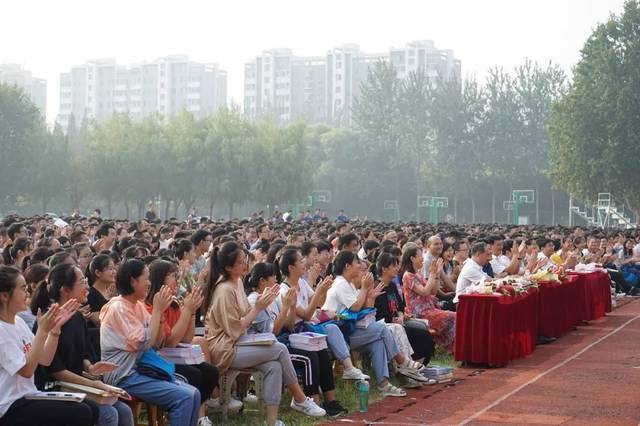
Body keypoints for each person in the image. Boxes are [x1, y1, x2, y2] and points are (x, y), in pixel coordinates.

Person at [202, 241, 325, 426]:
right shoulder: (224, 289)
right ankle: (299, 398)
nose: (246, 265)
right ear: (228, 267)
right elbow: (235, 330)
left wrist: (264, 306)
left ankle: (272, 421)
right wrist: (258, 308)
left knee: (273, 365)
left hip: (239, 342)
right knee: (280, 348)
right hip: (225, 349)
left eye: (245, 260)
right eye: (241, 262)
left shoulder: (236, 284)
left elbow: (244, 319)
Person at [100, 259, 201, 426]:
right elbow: (145, 343)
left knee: (194, 393)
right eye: (146, 279)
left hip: (143, 370)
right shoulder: (118, 308)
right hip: (125, 375)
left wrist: (160, 316)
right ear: (133, 281)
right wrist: (158, 310)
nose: (149, 283)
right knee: (184, 397)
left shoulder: (137, 305)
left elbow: (157, 343)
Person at [31, 263, 134, 426]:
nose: (87, 286)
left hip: (76, 385)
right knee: (108, 414)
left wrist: (90, 368)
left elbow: (83, 355)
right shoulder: (48, 320)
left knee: (124, 410)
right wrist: (94, 383)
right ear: (65, 289)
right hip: (55, 388)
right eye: (82, 282)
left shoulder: (78, 317)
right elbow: (57, 372)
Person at [246, 258, 347, 417]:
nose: (276, 280)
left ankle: (330, 401)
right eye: (273, 277)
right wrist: (287, 306)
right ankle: (312, 403)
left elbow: (290, 325)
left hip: (282, 341)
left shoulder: (271, 298)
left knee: (320, 349)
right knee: (309, 358)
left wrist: (291, 307)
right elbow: (274, 332)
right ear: (262, 281)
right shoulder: (255, 300)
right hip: (269, 346)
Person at [0, 265, 94, 426]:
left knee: (91, 409)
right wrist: (42, 331)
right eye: (23, 288)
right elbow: (27, 371)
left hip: (29, 396)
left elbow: (45, 359)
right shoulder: (2, 330)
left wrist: (54, 332)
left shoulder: (18, 322)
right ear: (4, 295)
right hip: (10, 404)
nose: (28, 293)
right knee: (82, 413)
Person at [323, 250, 426, 397]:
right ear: (347, 266)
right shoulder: (340, 284)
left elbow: (361, 309)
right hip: (340, 335)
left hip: (349, 330)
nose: (359, 266)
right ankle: (402, 361)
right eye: (356, 263)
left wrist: (369, 296)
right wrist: (365, 289)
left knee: (377, 342)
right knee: (382, 329)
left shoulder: (348, 284)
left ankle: (384, 384)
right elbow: (356, 307)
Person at [146, 260, 217, 426]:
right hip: (157, 360)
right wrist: (187, 310)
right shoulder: (151, 306)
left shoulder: (174, 304)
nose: (177, 281)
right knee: (194, 374)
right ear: (159, 280)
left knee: (210, 372)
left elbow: (186, 338)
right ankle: (178, 414)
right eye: (172, 276)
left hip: (174, 357)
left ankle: (192, 416)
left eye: (178, 276)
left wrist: (191, 312)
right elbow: (170, 342)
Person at [373, 252, 435, 385]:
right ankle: (408, 373)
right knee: (420, 335)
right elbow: (378, 314)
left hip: (399, 321)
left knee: (424, 331)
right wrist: (395, 319)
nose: (397, 268)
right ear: (384, 269)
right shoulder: (377, 287)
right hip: (387, 325)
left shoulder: (392, 285)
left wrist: (401, 316)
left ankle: (415, 371)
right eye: (394, 266)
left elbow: (401, 307)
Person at [402, 243, 456, 353]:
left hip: (429, 309)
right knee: (453, 316)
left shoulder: (418, 274)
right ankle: (451, 347)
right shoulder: (408, 276)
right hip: (419, 313)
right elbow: (425, 291)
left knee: (453, 315)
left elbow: (433, 291)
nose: (422, 259)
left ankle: (450, 347)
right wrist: (432, 273)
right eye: (420, 256)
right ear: (412, 258)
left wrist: (437, 274)